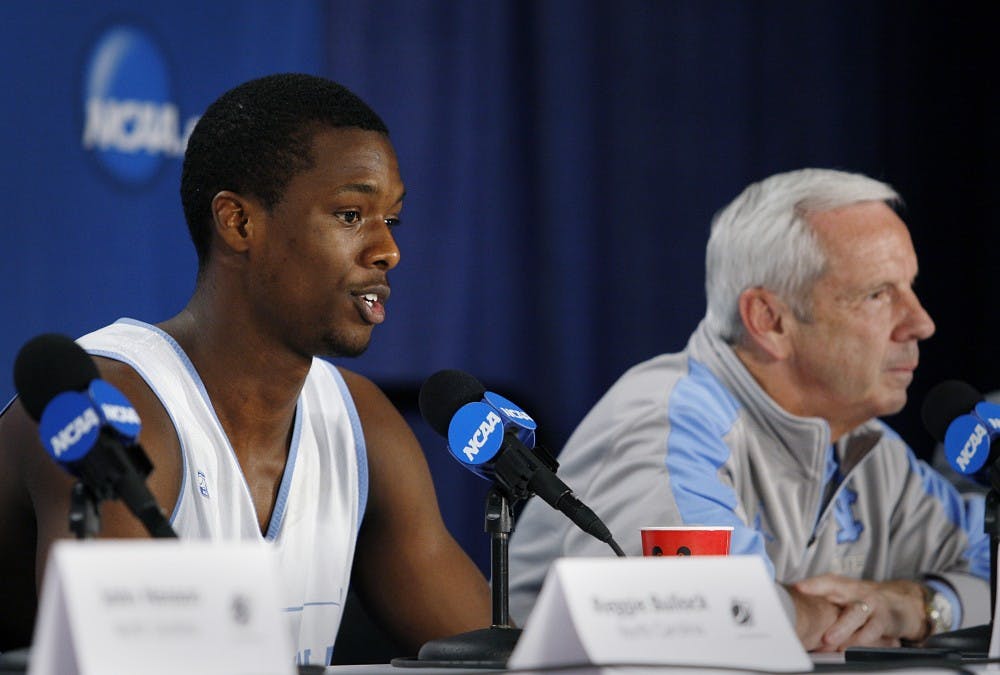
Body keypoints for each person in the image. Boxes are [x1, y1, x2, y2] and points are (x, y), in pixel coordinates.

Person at [0, 73, 492, 664]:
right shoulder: (112, 408)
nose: (388, 250)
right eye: (350, 215)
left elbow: (503, 661)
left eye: (393, 219)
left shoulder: (361, 424)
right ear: (238, 224)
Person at [507, 168, 989, 652]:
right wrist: (822, 614)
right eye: (878, 295)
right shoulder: (666, 424)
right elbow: (697, 615)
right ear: (769, 320)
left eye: (910, 288)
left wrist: (924, 605)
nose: (921, 323)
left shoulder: (867, 448)